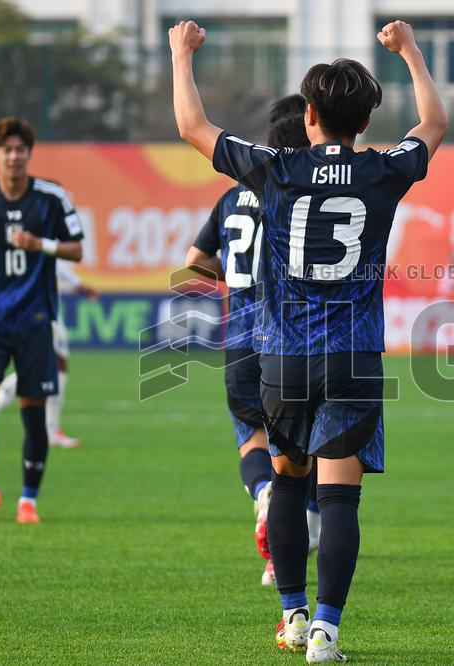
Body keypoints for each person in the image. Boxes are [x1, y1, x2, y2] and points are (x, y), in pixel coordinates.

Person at [171, 18, 446, 662]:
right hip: (353, 358)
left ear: (312, 113)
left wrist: (181, 54)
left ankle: (292, 615)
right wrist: (410, 53)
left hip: (283, 357)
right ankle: (326, 630)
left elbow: (192, 126)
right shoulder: (383, 172)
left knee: (288, 484)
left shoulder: (274, 168)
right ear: (363, 121)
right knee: (340, 497)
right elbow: (433, 124)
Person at [186, 96, 317, 588]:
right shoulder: (300, 193)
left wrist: (238, 280)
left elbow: (193, 260)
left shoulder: (232, 195)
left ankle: (261, 493)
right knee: (304, 446)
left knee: (251, 437)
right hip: (290, 336)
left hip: (239, 336)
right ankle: (298, 536)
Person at [0, 116, 85, 525]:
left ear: (29, 154)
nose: (13, 156)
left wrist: (38, 243)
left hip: (36, 322)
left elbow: (77, 250)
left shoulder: (51, 198)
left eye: (20, 149)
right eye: (6, 150)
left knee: (33, 413)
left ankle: (28, 501)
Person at [0, 259, 98, 448]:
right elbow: (56, 265)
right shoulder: (40, 247)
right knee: (55, 367)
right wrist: (80, 286)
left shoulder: (25, 251)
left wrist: (80, 286)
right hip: (44, 316)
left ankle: (50, 429)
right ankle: (49, 429)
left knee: (47, 367)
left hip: (38, 314)